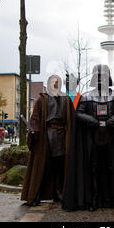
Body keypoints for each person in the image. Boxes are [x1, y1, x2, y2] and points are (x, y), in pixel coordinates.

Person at [63, 65, 114, 211]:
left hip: (112, 138)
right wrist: (91, 120)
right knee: (94, 170)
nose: (101, 79)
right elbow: (78, 113)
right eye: (98, 76)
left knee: (113, 169)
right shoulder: (86, 97)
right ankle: (93, 200)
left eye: (103, 76)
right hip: (93, 139)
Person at [21, 75, 75, 206]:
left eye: (58, 82)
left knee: (60, 166)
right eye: (53, 82)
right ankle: (36, 195)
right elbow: (35, 118)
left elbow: (73, 118)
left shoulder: (66, 99)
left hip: (62, 136)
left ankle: (58, 193)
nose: (55, 84)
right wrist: (35, 130)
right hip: (46, 137)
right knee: (43, 166)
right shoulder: (42, 99)